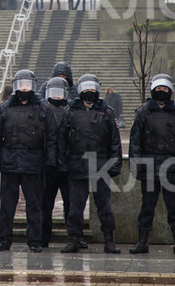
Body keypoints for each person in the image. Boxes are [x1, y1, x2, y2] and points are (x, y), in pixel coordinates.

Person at [0, 69, 58, 253]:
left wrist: (50, 161)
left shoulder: (44, 108)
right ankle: (4, 239)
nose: (24, 88)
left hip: (34, 163)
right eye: (21, 84)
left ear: (33, 86)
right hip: (10, 162)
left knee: (34, 204)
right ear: (16, 86)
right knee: (7, 205)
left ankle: (35, 240)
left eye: (27, 84)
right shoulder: (4, 108)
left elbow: (52, 137)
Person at [128, 74, 175, 256]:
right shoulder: (142, 113)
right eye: (159, 88)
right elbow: (135, 142)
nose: (161, 92)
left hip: (171, 167)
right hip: (149, 166)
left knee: (174, 206)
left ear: (170, 91)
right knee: (147, 206)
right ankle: (142, 241)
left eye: (164, 89)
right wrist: (136, 166)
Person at [58, 74, 122, 254]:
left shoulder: (107, 112)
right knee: (75, 208)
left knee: (104, 207)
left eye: (92, 88)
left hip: (101, 165)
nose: (89, 92)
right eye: (86, 88)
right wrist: (62, 163)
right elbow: (62, 140)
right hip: (77, 165)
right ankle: (74, 239)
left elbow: (114, 142)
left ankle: (109, 240)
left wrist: (115, 165)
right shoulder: (70, 111)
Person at [41, 77, 71, 248]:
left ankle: (74, 235)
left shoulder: (70, 111)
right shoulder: (43, 111)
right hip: (49, 165)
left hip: (67, 165)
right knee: (46, 204)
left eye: (60, 94)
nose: (57, 97)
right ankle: (44, 236)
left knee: (71, 203)